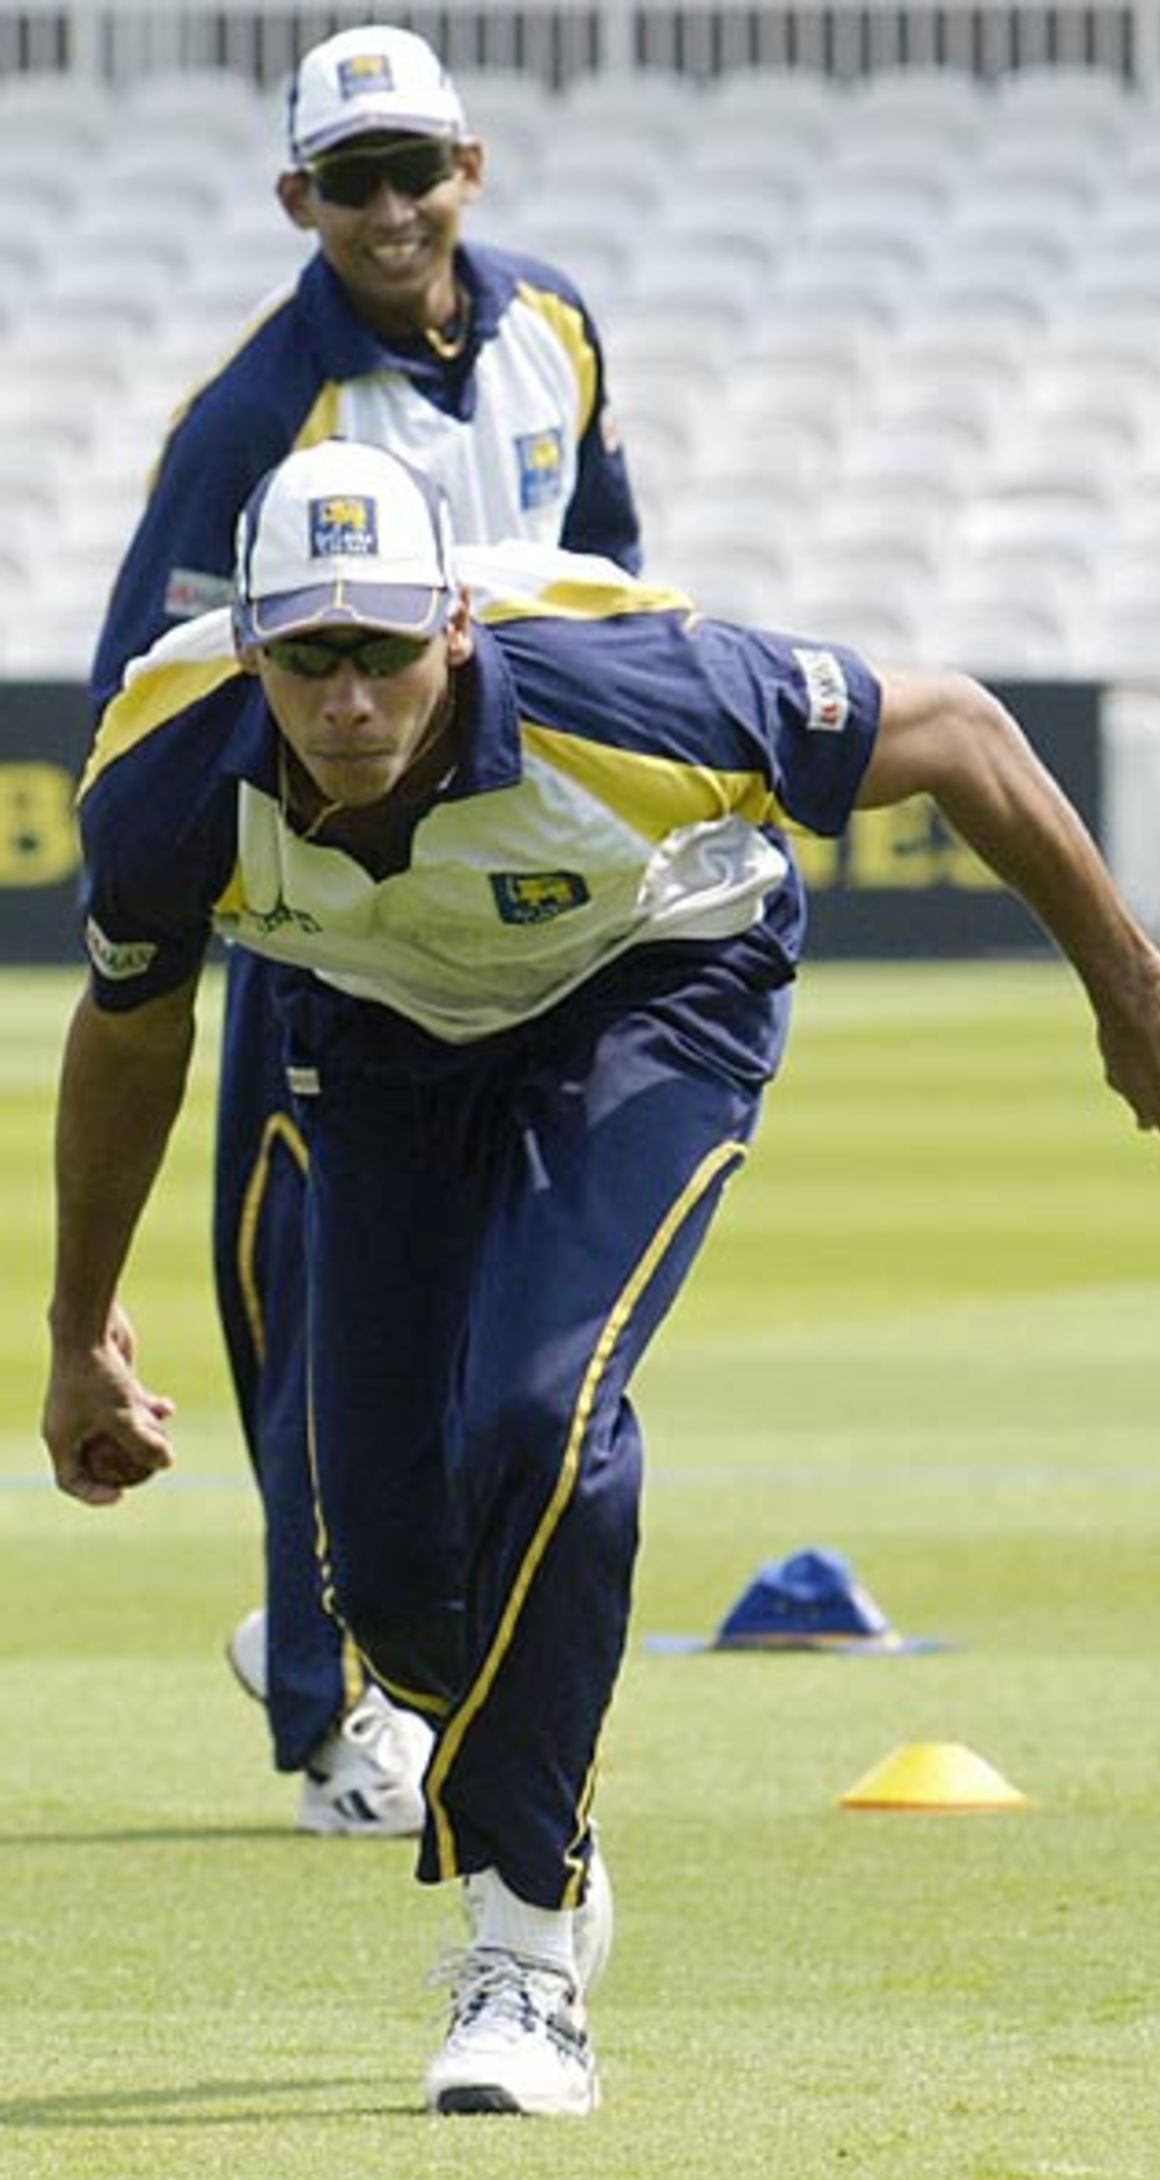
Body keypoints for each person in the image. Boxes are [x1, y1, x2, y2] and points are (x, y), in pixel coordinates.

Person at [44, 436, 1160, 2116]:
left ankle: (525, 1955)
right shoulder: (164, 782)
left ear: (453, 628)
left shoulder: (644, 693)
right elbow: (131, 1035)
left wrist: (1131, 991)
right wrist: (78, 1332)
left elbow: (966, 732)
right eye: (308, 655)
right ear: (250, 649)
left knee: (543, 1412)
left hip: (653, 988)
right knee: (385, 1577)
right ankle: (544, 1816)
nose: (346, 696)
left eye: (382, 647)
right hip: (385, 1038)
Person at [90, 22, 643, 1838]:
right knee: (310, 1289)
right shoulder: (258, 420)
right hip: (322, 907)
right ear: (296, 200)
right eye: (353, 181)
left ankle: (333, 1636)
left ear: (469, 168)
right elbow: (159, 684)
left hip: (524, 879)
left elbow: (617, 573)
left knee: (503, 1317)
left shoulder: (556, 326)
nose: (392, 208)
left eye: (417, 168)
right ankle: (339, 1722)